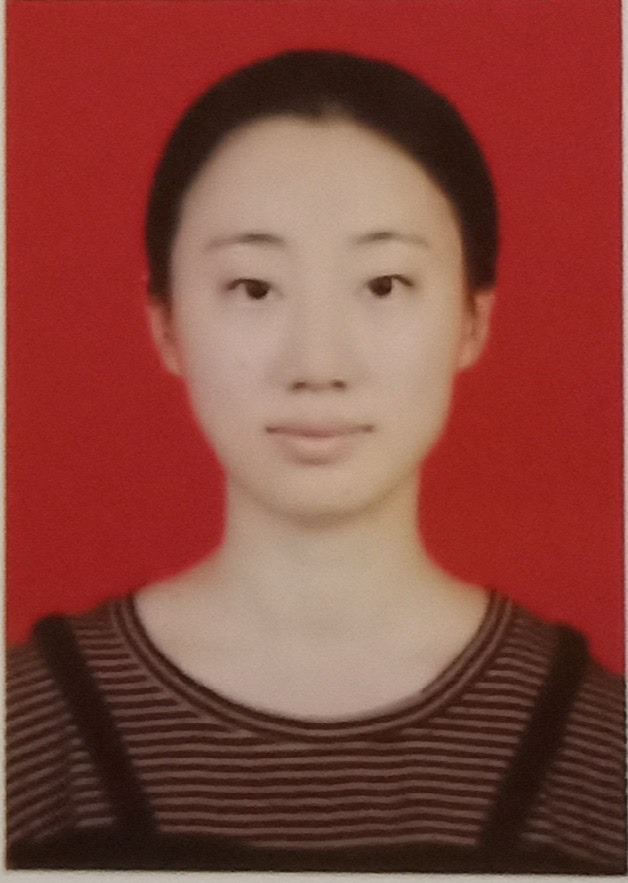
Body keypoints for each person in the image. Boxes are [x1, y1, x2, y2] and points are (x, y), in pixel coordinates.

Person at [6, 49, 625, 873]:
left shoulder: (600, 746)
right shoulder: (29, 726)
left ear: (473, 320)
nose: (318, 363)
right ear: (165, 322)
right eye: (255, 288)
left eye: (384, 284)